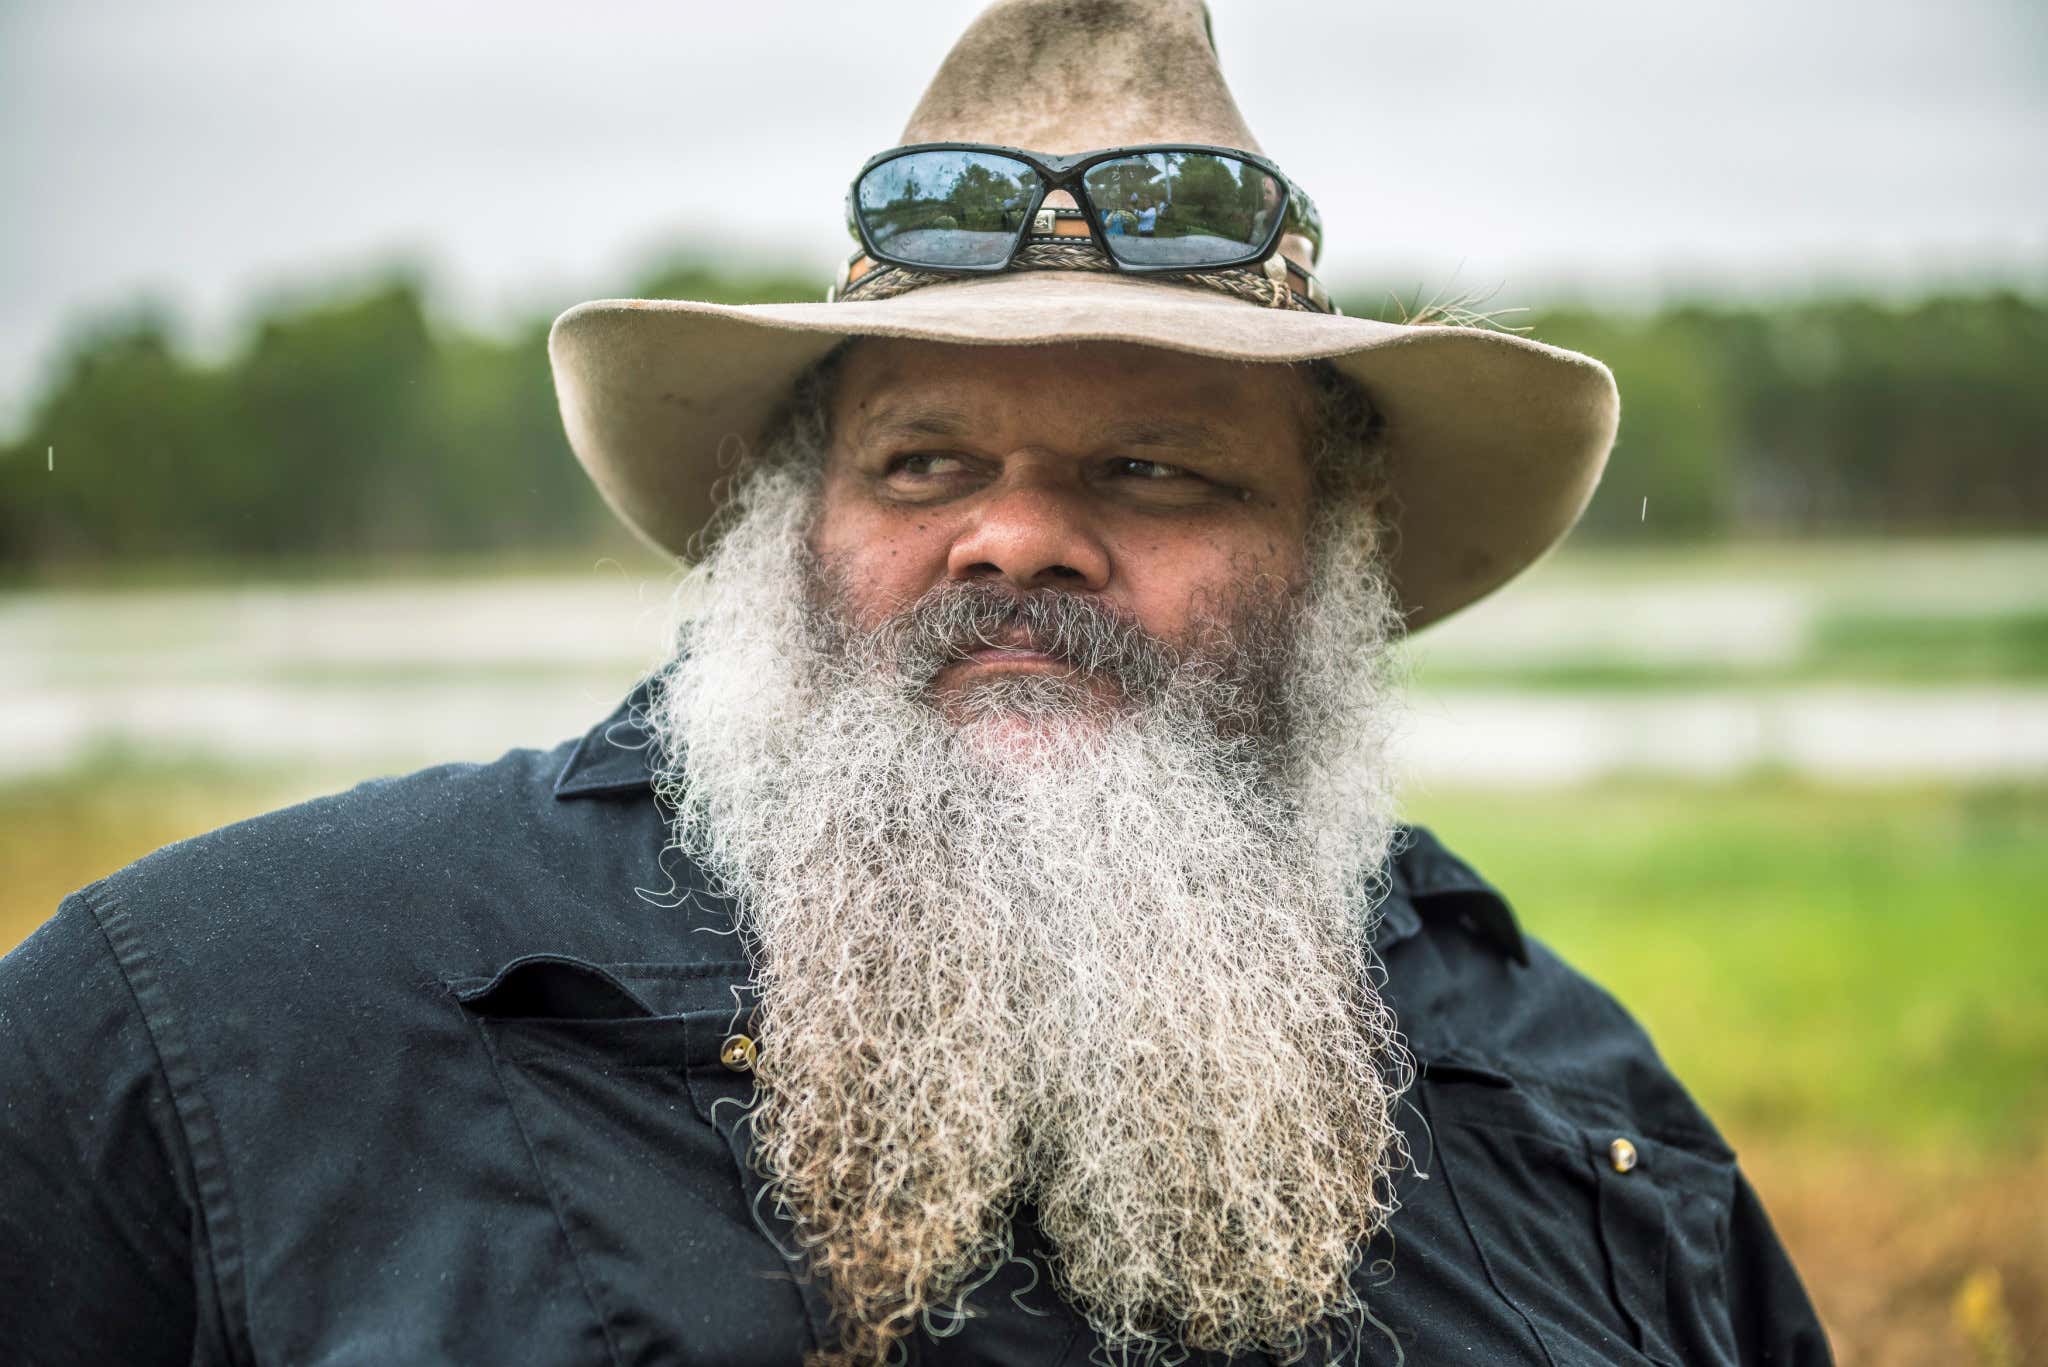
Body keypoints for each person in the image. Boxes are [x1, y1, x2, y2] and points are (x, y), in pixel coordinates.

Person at [0, 2, 1833, 1364]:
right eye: (927, 461)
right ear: (791, 522)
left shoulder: (1585, 1119)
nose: (1014, 538)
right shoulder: (221, 1020)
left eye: (1156, 469)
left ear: (1332, 557)